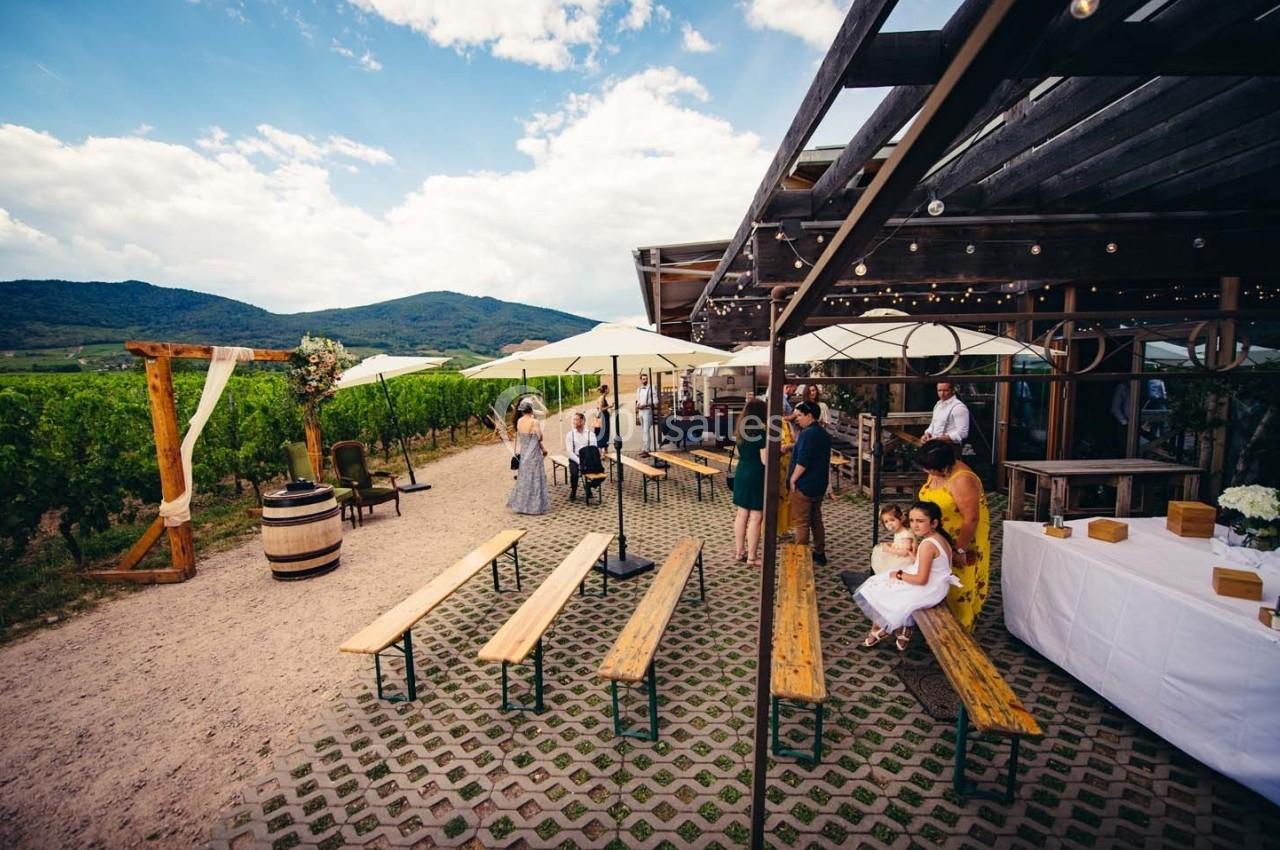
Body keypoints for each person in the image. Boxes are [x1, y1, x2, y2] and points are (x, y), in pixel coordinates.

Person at [854, 501, 962, 651]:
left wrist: (899, 574)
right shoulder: (941, 538)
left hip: (929, 589)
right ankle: (891, 628)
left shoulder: (928, 544)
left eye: (920, 521)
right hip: (938, 586)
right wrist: (914, 557)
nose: (915, 525)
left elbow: (921, 579)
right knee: (882, 583)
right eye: (912, 520)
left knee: (879, 587)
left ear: (934, 522)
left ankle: (886, 628)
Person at [915, 439, 990, 630]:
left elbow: (971, 518)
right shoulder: (937, 471)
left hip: (961, 540)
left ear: (945, 466)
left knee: (958, 589)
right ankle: (939, 629)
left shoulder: (963, 480)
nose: (927, 473)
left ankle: (963, 632)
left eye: (930, 469)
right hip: (938, 539)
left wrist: (959, 549)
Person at [787, 401, 831, 566]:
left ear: (809, 415)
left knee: (802, 522)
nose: (797, 419)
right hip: (819, 484)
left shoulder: (807, 434)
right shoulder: (823, 433)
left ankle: (801, 556)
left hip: (805, 484)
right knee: (816, 519)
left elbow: (803, 461)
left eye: (799, 415)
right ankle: (820, 552)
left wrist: (793, 478)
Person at [732, 399, 768, 565]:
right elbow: (765, 460)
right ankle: (752, 557)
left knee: (741, 514)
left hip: (742, 471)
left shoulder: (741, 429)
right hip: (756, 474)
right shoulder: (761, 433)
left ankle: (740, 552)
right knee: (755, 517)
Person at [507, 401, 549, 515]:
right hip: (534, 454)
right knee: (535, 478)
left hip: (524, 452)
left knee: (524, 479)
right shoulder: (534, 422)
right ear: (531, 410)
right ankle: (535, 506)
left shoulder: (519, 421)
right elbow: (539, 438)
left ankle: (522, 505)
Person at [870, 504, 915, 576]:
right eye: (886, 522)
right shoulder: (899, 531)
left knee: (885, 562)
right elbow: (900, 544)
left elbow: (905, 552)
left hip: (904, 560)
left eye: (892, 520)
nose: (889, 524)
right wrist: (891, 544)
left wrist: (888, 549)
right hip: (899, 554)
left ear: (901, 518)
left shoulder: (905, 534)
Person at [564, 411, 593, 502]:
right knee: (574, 473)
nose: (574, 422)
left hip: (587, 458)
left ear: (582, 421)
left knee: (593, 471)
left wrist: (586, 460)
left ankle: (588, 488)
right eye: (573, 420)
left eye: (576, 419)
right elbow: (569, 452)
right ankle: (573, 491)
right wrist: (579, 461)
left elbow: (593, 449)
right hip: (575, 458)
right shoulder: (570, 434)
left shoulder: (590, 434)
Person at [635, 372, 658, 456]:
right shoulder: (639, 389)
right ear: (640, 380)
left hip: (647, 411)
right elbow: (637, 400)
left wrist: (646, 404)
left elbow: (656, 401)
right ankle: (644, 448)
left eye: (646, 379)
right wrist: (637, 406)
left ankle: (647, 450)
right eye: (643, 379)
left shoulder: (652, 388)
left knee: (646, 430)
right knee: (643, 431)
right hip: (641, 412)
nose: (645, 380)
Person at [594, 384, 611, 450]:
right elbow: (601, 409)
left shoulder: (601, 397)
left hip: (600, 416)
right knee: (603, 433)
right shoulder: (602, 398)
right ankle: (602, 452)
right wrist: (609, 406)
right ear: (605, 390)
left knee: (600, 433)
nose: (609, 390)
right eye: (608, 388)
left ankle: (604, 451)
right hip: (603, 417)